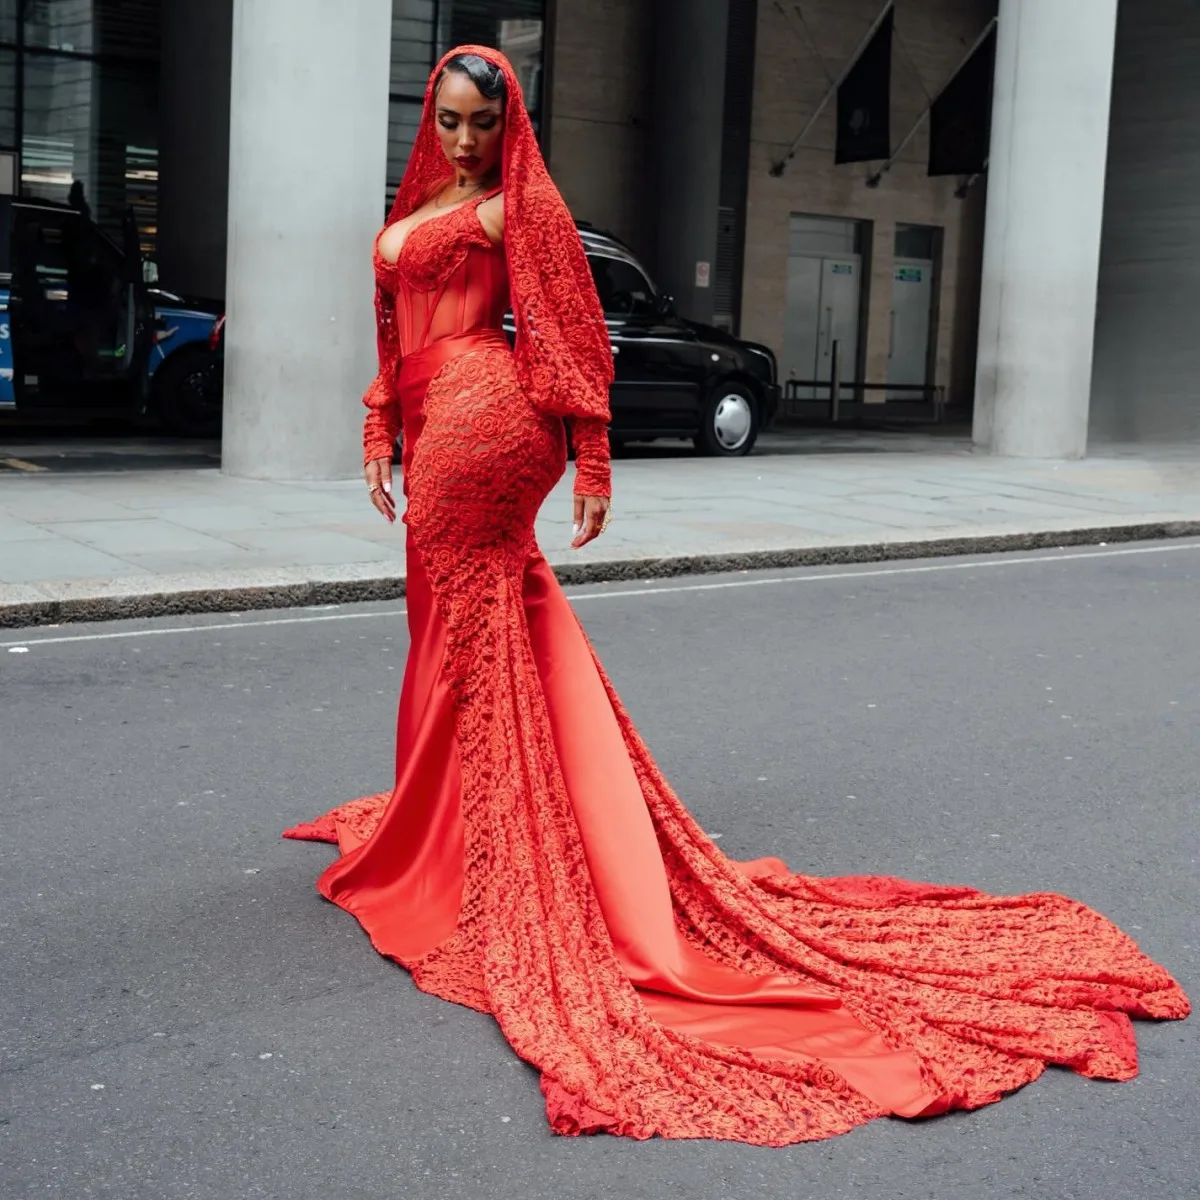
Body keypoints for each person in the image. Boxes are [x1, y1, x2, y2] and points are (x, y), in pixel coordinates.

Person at [285, 45, 1189, 1145]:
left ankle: (481, 843)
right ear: (431, 116)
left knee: (473, 633)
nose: (469, 138)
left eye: (486, 121)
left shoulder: (514, 209)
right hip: (430, 424)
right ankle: (463, 823)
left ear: (510, 121)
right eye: (453, 119)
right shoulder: (427, 197)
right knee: (454, 632)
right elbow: (393, 338)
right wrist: (380, 428)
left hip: (487, 427)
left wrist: (594, 458)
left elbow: (571, 332)